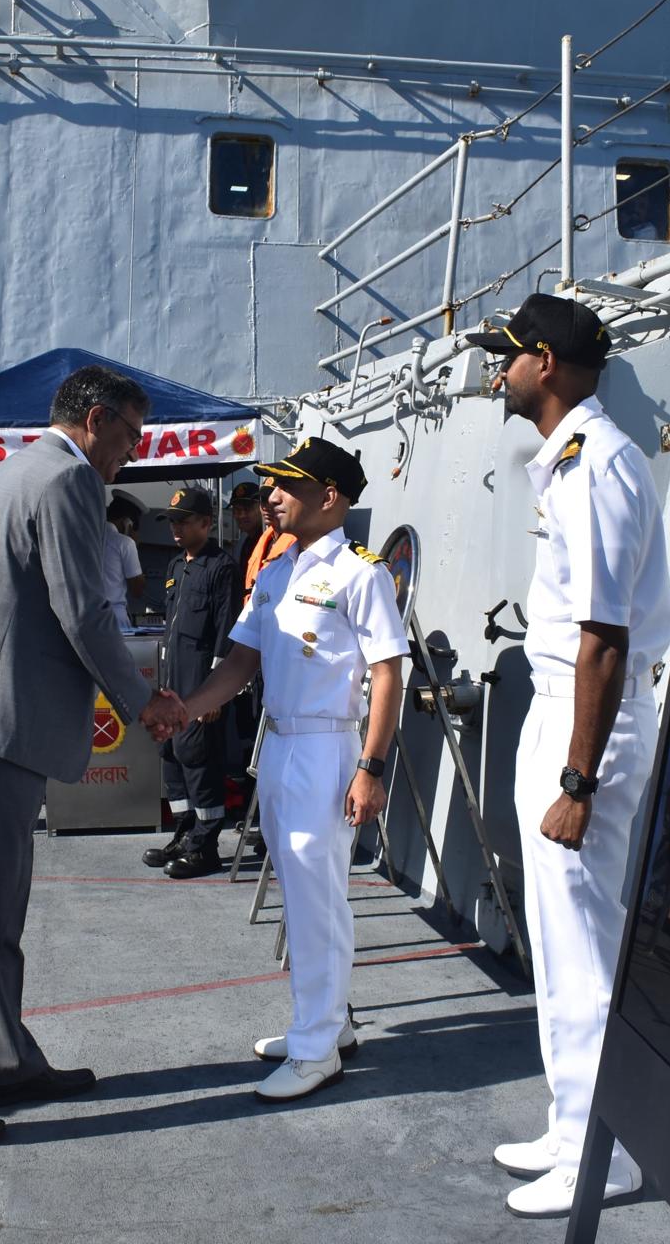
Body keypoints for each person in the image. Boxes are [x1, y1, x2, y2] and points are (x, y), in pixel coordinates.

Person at [0, 365, 186, 1149]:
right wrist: (141, 699)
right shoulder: (68, 483)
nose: (132, 451)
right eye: (128, 435)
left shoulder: (18, 468)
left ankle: (2, 1058)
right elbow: (81, 611)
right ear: (95, 418)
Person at [465, 293, 670, 1218]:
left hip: (585, 730)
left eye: (508, 356)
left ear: (545, 363)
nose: (497, 370)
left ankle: (604, 1153)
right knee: (555, 944)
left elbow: (603, 638)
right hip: (558, 716)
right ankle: (570, 1120)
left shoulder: (598, 469)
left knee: (584, 947)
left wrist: (577, 780)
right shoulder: (566, 463)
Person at [158, 438, 408, 1102]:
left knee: (314, 897)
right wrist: (184, 711)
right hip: (279, 744)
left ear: (330, 497)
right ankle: (329, 1024)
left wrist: (371, 767)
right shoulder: (275, 572)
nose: (272, 495)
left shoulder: (362, 572)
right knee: (305, 895)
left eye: (287, 485)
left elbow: (387, 675)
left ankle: (315, 1047)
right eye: (272, 484)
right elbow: (239, 666)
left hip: (328, 747)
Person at [141, 487, 241, 879]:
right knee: (172, 760)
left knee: (199, 762)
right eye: (173, 522)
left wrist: (215, 692)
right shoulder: (175, 566)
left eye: (185, 521)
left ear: (206, 522)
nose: (177, 529)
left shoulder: (221, 568)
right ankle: (185, 834)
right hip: (173, 679)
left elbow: (226, 632)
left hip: (201, 681)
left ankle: (206, 847)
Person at [243, 477, 296, 602]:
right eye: (263, 500)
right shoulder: (264, 538)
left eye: (272, 501)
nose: (266, 506)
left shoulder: (299, 541)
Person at [101, 493, 145, 630]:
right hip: (114, 617)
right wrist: (134, 547)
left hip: (88, 617)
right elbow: (137, 590)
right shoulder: (124, 543)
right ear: (128, 522)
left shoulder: (87, 538)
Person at [227, 481, 263, 577]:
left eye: (247, 509)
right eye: (237, 510)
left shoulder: (269, 541)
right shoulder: (245, 541)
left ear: (261, 508)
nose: (241, 515)